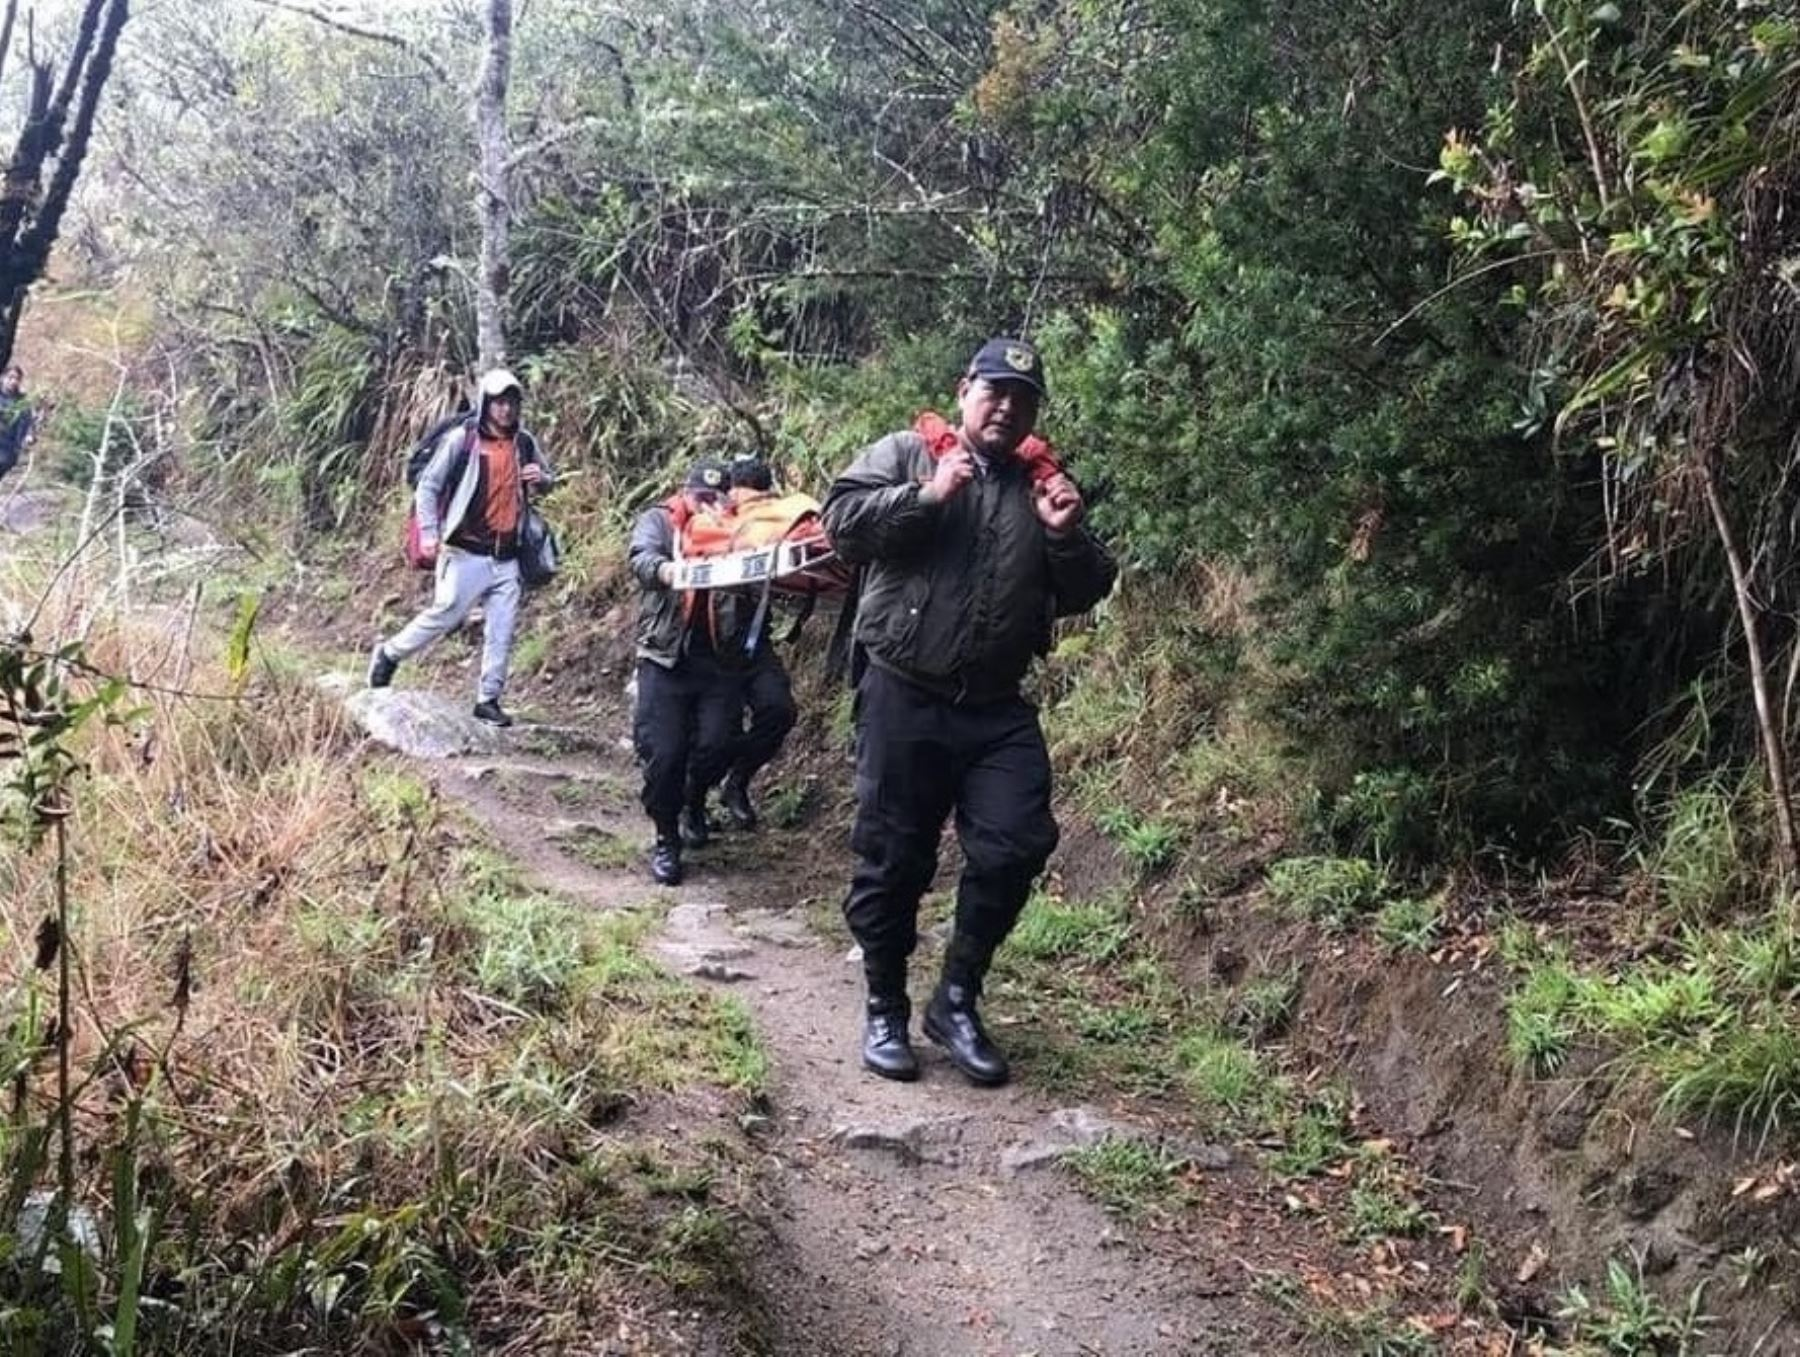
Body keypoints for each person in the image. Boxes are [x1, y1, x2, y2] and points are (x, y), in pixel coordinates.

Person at [820, 337, 1117, 1086]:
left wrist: (1067, 536)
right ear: (965, 391)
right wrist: (924, 498)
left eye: (1024, 398)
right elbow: (842, 527)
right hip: (901, 688)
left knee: (1018, 840)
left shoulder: (1043, 484)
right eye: (996, 391)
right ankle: (886, 1002)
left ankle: (955, 997)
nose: (1008, 407)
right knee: (894, 856)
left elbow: (1087, 588)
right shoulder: (905, 454)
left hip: (994, 705)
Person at [366, 368, 552, 727]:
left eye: (512, 401)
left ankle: (488, 699)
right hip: (465, 550)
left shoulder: (524, 443)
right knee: (446, 613)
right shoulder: (463, 440)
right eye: (499, 401)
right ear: (486, 402)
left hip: (508, 555)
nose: (506, 409)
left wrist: (542, 480)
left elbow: (547, 479)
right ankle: (389, 654)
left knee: (502, 628)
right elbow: (429, 486)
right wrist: (431, 532)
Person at [628, 460, 745, 885]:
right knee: (664, 755)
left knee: (719, 742)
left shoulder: (738, 531)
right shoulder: (660, 521)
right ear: (686, 493)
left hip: (717, 659)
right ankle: (666, 836)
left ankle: (695, 800)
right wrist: (666, 570)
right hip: (665, 657)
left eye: (717, 500)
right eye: (701, 499)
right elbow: (641, 557)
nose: (708, 507)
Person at [713, 454, 799, 830]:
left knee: (779, 710)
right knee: (713, 731)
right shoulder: (712, 521)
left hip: (753, 640)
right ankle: (690, 801)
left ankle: (737, 781)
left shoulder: (776, 523)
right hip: (709, 643)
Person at [0, 364, 36, 484]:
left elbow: (29, 420)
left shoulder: (22, 400)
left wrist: (30, 435)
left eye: (17, 378)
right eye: (10, 377)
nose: (14, 381)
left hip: (10, 449)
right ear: (2, 378)